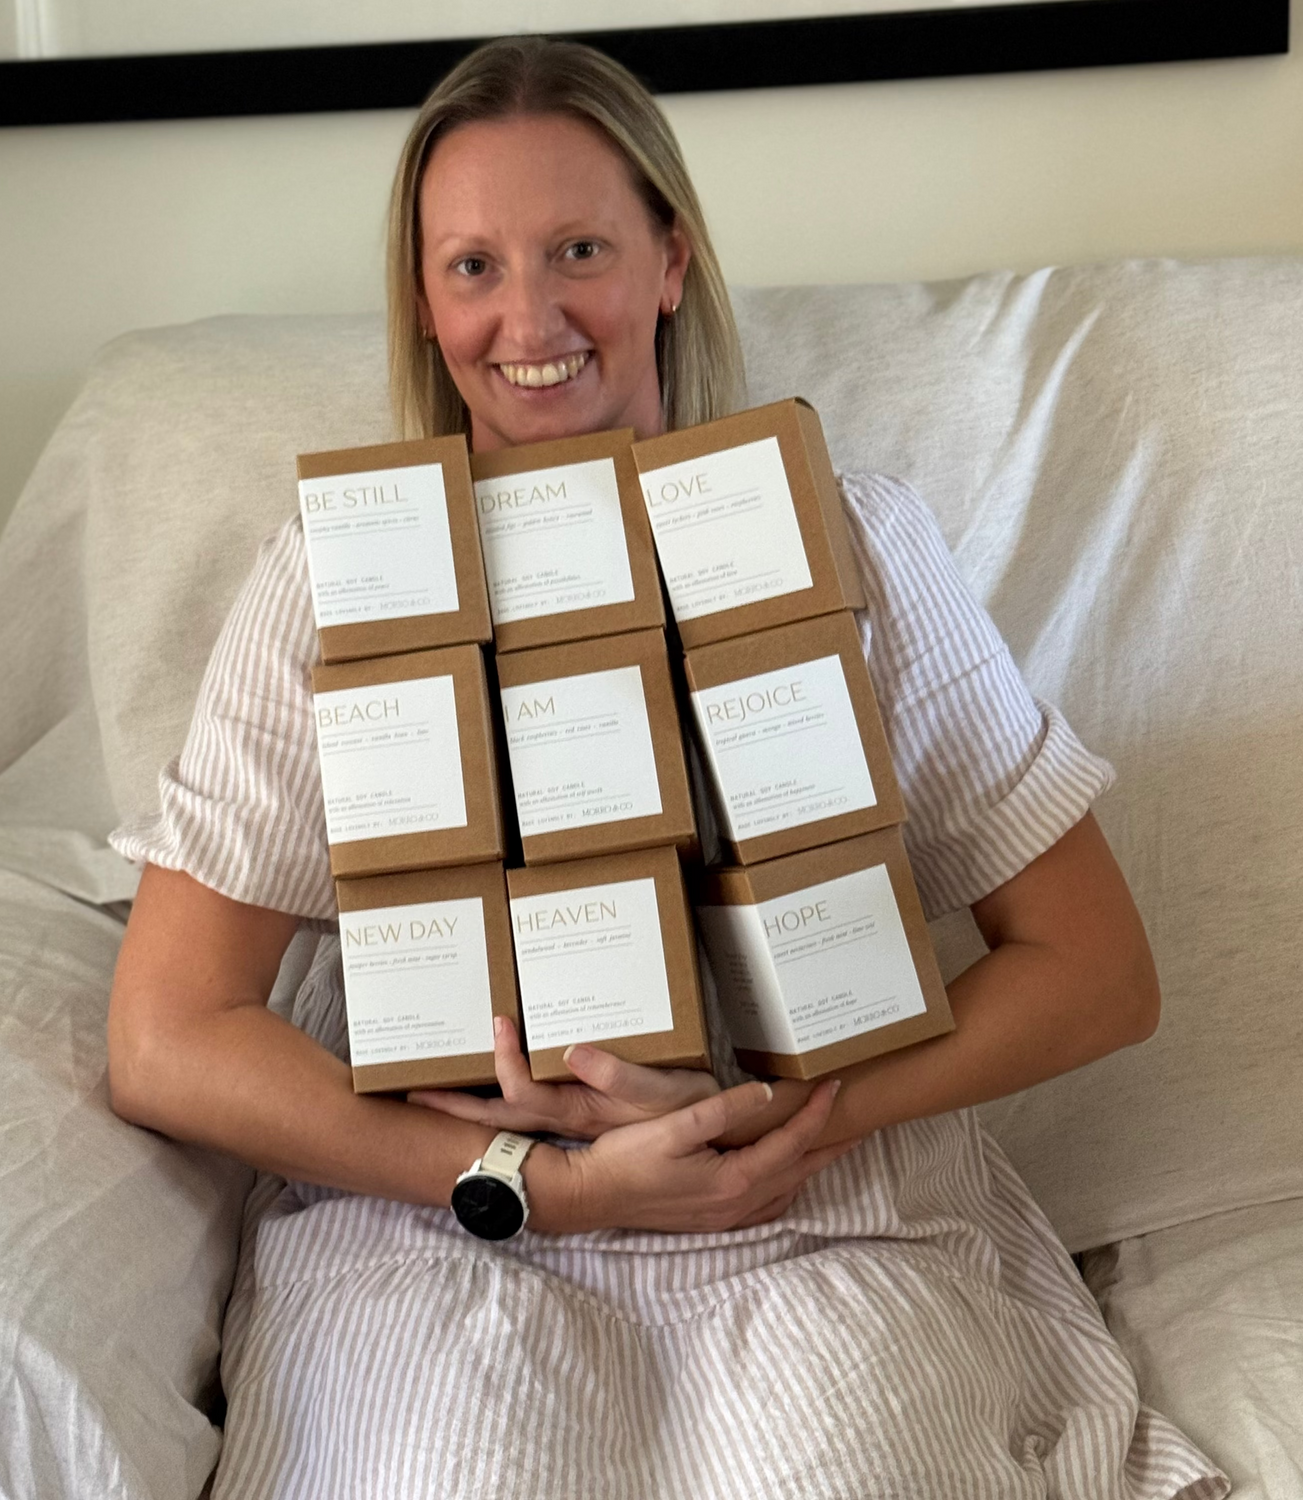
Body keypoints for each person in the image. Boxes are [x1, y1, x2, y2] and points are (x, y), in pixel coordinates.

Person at [105, 36, 1224, 1500]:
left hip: (821, 1202)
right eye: (472, 268)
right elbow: (169, 1031)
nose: (530, 317)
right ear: (424, 303)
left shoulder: (851, 539)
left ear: (672, 260)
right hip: (454, 1216)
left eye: (579, 247)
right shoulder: (332, 582)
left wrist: (798, 1123)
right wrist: (533, 1187)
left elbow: (1096, 967)